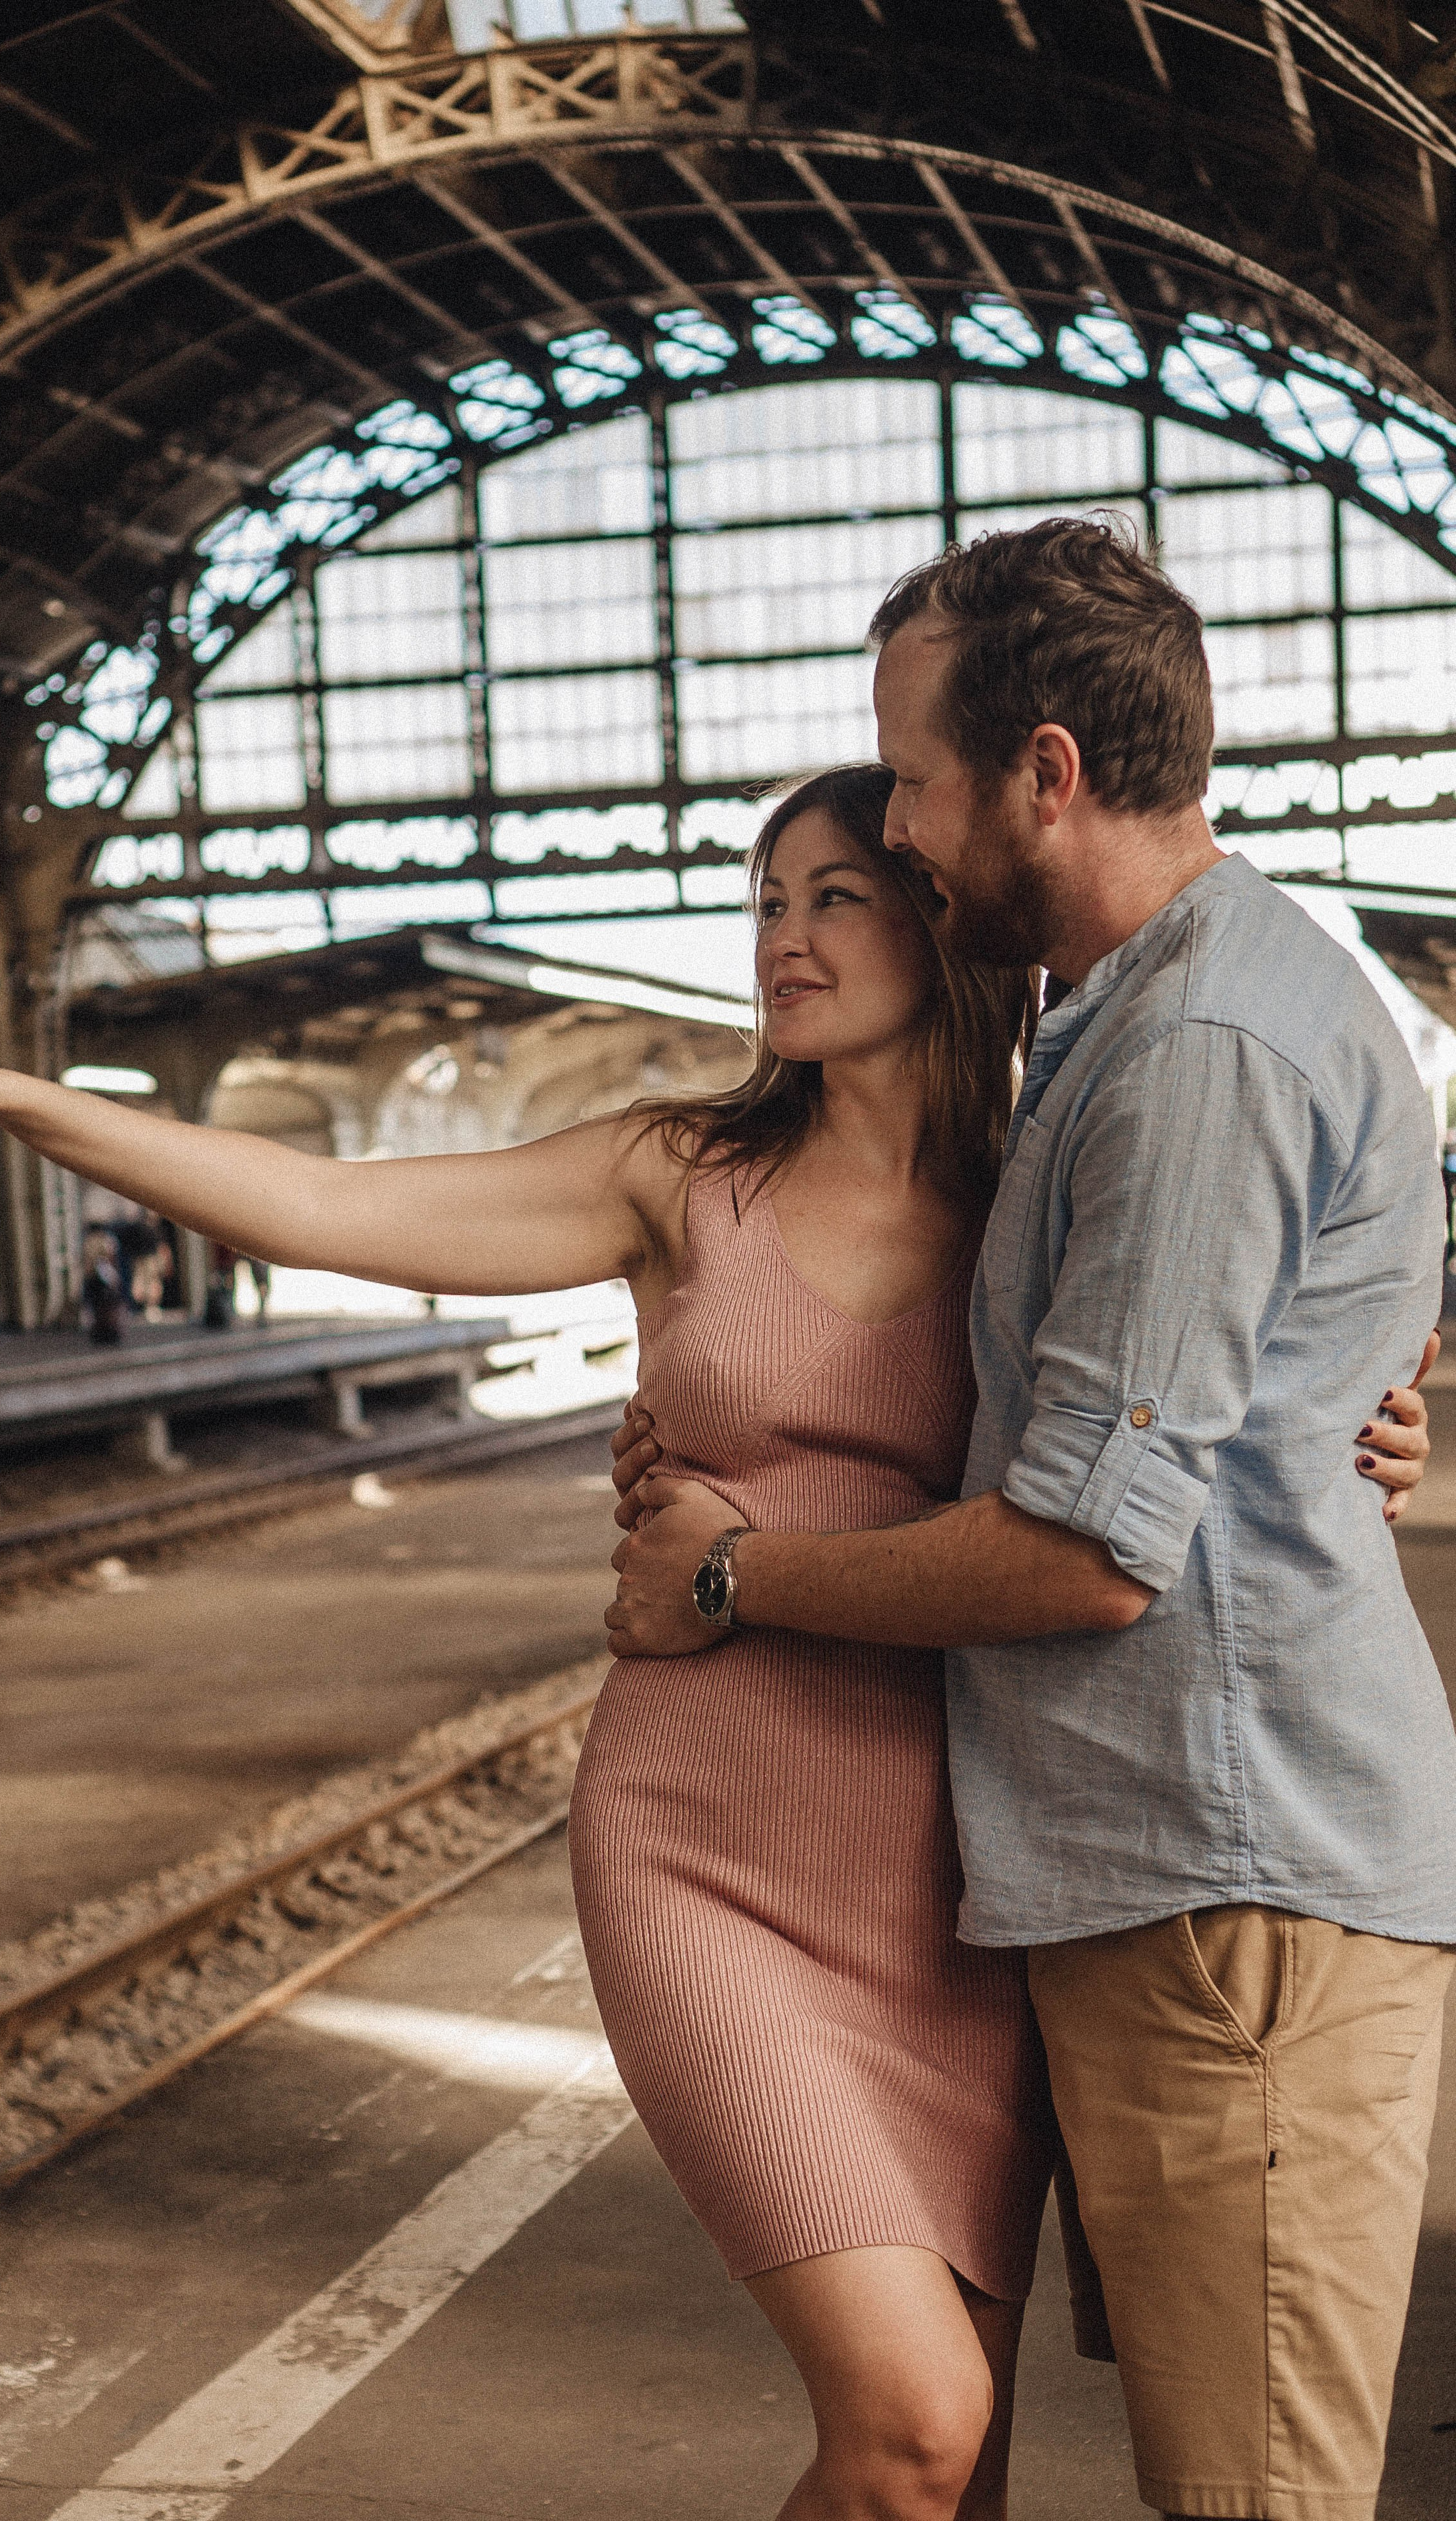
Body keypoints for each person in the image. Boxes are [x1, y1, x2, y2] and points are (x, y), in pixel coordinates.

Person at [0, 746, 1426, 2521]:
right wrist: (25, 1100)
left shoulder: (1050, 1193)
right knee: (917, 2421)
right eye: (764, 905)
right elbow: (323, 1202)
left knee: (941, 2480)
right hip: (705, 1840)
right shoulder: (677, 1174)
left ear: (940, 923)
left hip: (966, 1872)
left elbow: (1205, 1402)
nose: (783, 941)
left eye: (834, 899)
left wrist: (1356, 1443)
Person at [608, 519, 1456, 2521]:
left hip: (1221, 1889)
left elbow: (1084, 1547)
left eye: (908, 776)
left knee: (1247, 2489)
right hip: (1141, 1874)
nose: (896, 826)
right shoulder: (1133, 1013)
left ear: (1044, 772)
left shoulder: (1195, 1047)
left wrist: (730, 1575)